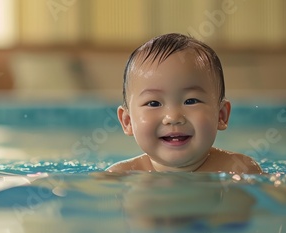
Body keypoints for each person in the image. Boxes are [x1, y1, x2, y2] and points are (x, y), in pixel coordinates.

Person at [106, 33, 262, 174]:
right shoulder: (121, 176)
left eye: (191, 101)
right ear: (127, 121)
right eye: (153, 103)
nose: (173, 117)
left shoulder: (239, 170)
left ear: (221, 115)